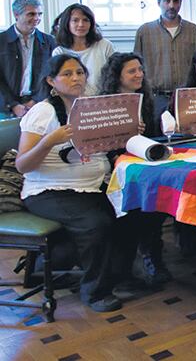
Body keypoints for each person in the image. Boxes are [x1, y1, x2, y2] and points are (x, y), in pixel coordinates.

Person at [14, 54, 121, 312]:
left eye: (80, 73)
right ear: (51, 81)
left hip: (89, 187)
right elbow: (23, 165)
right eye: (67, 74)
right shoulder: (43, 111)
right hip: (48, 191)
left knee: (126, 212)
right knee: (95, 224)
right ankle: (95, 293)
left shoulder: (89, 107)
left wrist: (126, 131)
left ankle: (116, 275)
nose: (76, 78)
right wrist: (49, 141)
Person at [96, 52, 172, 287]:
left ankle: (151, 254)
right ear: (117, 76)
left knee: (157, 199)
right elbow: (98, 143)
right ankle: (126, 265)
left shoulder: (146, 99)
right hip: (112, 169)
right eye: (132, 71)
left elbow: (153, 138)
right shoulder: (102, 104)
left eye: (140, 69)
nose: (139, 74)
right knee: (133, 207)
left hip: (142, 166)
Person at [133, 0, 196, 124]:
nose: (171, 5)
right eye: (167, 1)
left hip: (186, 98)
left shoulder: (193, 30)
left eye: (176, 1)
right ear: (158, 2)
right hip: (155, 98)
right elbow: (136, 66)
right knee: (156, 134)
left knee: (187, 134)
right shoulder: (144, 32)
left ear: (181, 3)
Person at [1, 0, 56, 118]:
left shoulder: (49, 41)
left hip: (40, 105)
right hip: (5, 108)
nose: (37, 18)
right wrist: (13, 105)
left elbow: (52, 74)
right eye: (31, 14)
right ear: (16, 14)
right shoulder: (1, 41)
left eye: (39, 14)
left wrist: (35, 101)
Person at [51, 3, 115, 96]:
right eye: (75, 20)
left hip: (104, 98)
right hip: (73, 100)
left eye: (85, 20)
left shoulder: (105, 45)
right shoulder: (59, 51)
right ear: (67, 23)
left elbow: (114, 76)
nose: (81, 24)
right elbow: (61, 83)